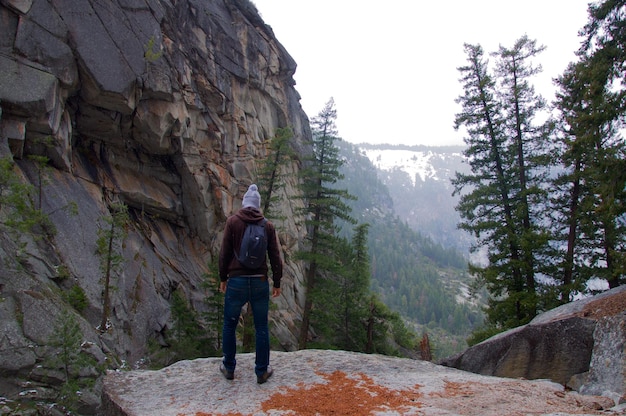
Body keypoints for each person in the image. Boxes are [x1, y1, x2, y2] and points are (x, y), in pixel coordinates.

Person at [218, 184, 283, 384]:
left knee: (230, 324)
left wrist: (223, 278)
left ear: (245, 204)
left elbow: (224, 253)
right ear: (258, 206)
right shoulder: (267, 225)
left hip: (236, 281)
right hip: (259, 282)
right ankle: (261, 371)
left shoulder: (232, 222)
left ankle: (229, 367)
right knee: (261, 326)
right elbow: (275, 256)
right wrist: (277, 282)